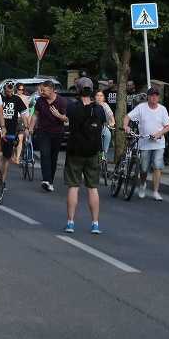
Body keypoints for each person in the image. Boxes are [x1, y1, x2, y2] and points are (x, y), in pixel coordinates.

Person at [63, 77, 106, 233]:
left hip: (75, 151)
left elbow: (69, 119)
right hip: (93, 152)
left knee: (73, 187)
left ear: (78, 90)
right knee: (93, 188)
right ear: (92, 91)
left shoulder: (72, 107)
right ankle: (95, 223)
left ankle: (70, 222)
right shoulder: (99, 109)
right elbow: (103, 124)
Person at [122, 86, 169, 201]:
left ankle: (155, 192)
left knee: (157, 167)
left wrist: (159, 134)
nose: (154, 97)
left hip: (158, 143)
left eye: (156, 95)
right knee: (144, 169)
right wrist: (126, 126)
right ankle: (143, 184)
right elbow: (127, 117)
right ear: (148, 97)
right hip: (144, 143)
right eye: (152, 95)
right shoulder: (141, 108)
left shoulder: (162, 109)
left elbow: (168, 126)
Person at [25, 80, 68, 192]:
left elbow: (66, 118)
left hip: (57, 132)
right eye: (41, 90)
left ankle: (50, 181)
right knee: (44, 154)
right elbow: (35, 114)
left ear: (51, 90)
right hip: (43, 131)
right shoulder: (40, 101)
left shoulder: (61, 101)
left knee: (53, 158)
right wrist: (31, 128)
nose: (41, 92)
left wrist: (58, 115)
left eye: (44, 90)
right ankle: (46, 180)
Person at [0, 80, 28, 180]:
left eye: (11, 92)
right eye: (7, 92)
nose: (9, 94)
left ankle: (3, 180)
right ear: (4, 90)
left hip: (11, 131)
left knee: (6, 157)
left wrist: (26, 127)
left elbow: (23, 114)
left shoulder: (17, 99)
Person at [94, 89, 115, 160]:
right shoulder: (92, 104)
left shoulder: (105, 105)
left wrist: (112, 122)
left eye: (101, 96)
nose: (99, 97)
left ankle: (104, 152)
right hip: (93, 127)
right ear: (95, 97)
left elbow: (110, 114)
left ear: (104, 98)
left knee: (108, 134)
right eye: (97, 95)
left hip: (103, 126)